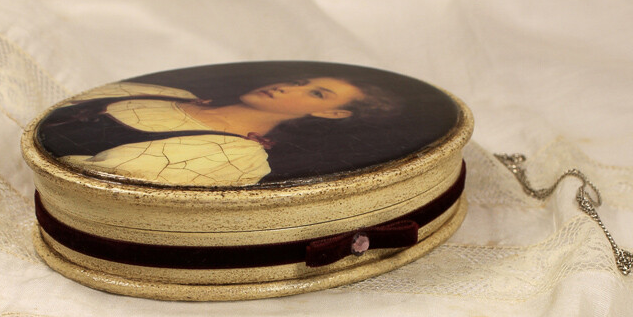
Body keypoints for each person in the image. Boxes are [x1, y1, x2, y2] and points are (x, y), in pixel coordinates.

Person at [38, 77, 398, 186]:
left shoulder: (237, 155)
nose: (286, 87)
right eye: (300, 81)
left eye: (316, 94)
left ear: (330, 112)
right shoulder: (172, 94)